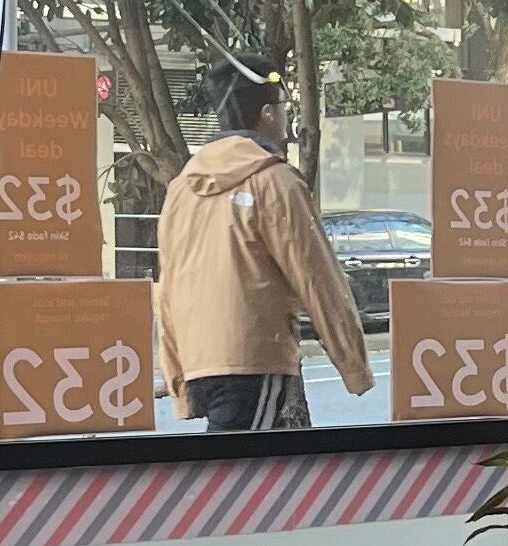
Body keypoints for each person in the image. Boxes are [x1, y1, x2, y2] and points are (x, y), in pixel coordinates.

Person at [154, 56, 372, 431]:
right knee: (258, 481)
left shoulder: (180, 190)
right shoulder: (275, 182)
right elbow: (318, 278)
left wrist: (178, 382)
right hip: (256, 360)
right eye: (285, 109)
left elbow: (168, 289)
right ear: (269, 113)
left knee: (241, 482)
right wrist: (354, 366)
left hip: (200, 365)